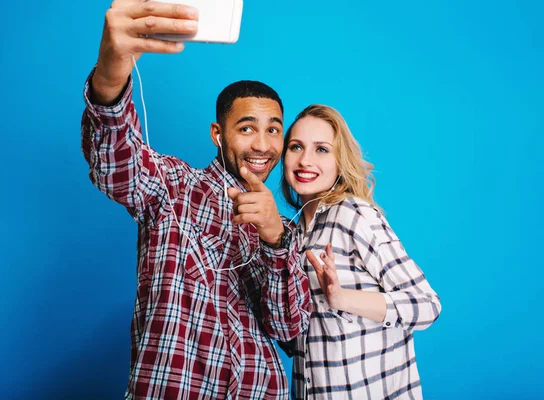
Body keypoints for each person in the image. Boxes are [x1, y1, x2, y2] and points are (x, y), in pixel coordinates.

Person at [80, 1, 310, 399]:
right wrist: (110, 74)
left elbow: (289, 332)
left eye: (274, 130)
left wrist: (274, 240)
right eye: (246, 128)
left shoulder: (287, 233)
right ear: (218, 135)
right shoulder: (174, 186)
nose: (262, 144)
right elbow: (115, 164)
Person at [280, 104, 441, 399]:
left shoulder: (354, 215)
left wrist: (342, 299)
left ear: (340, 162)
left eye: (322, 150)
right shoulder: (291, 236)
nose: (305, 160)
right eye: (296, 147)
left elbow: (427, 305)